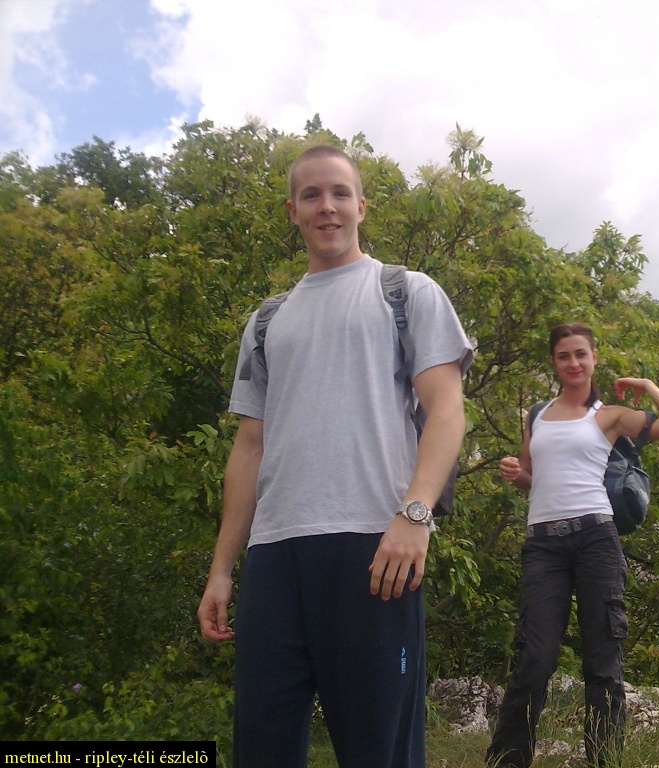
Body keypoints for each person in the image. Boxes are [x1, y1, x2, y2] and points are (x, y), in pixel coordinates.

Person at [196, 145, 473, 768]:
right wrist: (222, 569)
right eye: (313, 195)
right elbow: (249, 446)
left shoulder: (406, 293)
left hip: (376, 548)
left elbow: (447, 411)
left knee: (379, 752)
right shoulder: (267, 322)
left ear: (361, 206)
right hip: (275, 556)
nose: (328, 207)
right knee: (261, 750)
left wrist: (416, 515)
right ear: (292, 210)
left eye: (340, 193)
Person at [486, 322, 659, 768]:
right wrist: (515, 473)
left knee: (602, 659)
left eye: (581, 354)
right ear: (554, 362)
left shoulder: (610, 416)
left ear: (594, 357)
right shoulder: (537, 414)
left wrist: (647, 385)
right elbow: (532, 478)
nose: (573, 363)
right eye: (564, 355)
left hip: (595, 538)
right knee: (534, 658)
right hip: (543, 545)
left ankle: (603, 760)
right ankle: (507, 761)